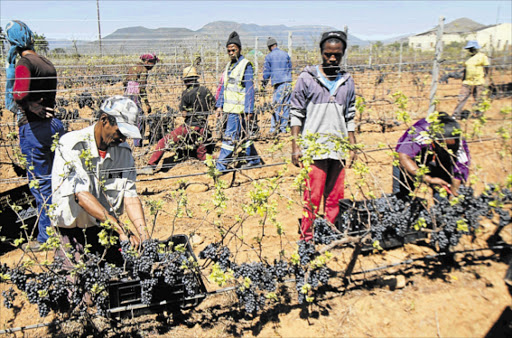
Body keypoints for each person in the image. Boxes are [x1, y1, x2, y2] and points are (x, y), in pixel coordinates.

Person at [51, 96, 149, 265]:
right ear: (104, 120)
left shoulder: (123, 152)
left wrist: (145, 236)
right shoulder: (71, 145)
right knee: (78, 285)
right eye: (120, 132)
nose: (122, 139)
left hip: (106, 228)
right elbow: (80, 195)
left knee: (116, 278)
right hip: (73, 232)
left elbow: (130, 196)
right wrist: (121, 228)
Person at [290, 31, 357, 242]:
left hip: (337, 149)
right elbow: (296, 112)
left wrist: (352, 144)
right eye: (328, 54)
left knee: (335, 197)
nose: (332, 58)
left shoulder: (347, 81)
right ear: (321, 53)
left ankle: (329, 233)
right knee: (312, 196)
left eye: (337, 54)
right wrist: (295, 144)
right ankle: (307, 238)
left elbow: (350, 114)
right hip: (314, 149)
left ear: (343, 54)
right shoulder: (307, 78)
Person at [4, 21, 66, 250]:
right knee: (56, 179)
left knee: (40, 185)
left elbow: (18, 92)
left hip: (34, 129)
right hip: (52, 125)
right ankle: (64, 228)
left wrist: (28, 105)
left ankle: (46, 238)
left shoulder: (24, 63)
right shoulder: (46, 62)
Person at [139, 66, 215, 174]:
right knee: (201, 153)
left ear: (186, 80)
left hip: (190, 126)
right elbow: (213, 105)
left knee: (163, 141)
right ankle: (214, 163)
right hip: (203, 128)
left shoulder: (186, 94)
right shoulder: (205, 90)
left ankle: (151, 166)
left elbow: (184, 114)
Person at [393, 112, 471, 202]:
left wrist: (454, 195)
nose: (448, 149)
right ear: (436, 140)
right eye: (445, 146)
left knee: (444, 197)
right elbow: (403, 157)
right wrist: (428, 179)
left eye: (450, 147)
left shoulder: (459, 142)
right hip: (415, 159)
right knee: (402, 197)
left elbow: (460, 170)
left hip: (443, 161)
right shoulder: (420, 132)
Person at [215, 31, 262, 172]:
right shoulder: (229, 66)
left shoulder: (245, 65)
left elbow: (249, 89)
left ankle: (220, 166)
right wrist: (219, 106)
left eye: (233, 49)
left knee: (229, 137)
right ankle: (254, 160)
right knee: (243, 135)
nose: (230, 52)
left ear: (239, 49)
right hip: (229, 109)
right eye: (228, 50)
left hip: (239, 109)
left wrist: (249, 110)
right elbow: (224, 87)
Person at [123, 53, 159, 146]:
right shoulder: (144, 70)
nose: (153, 66)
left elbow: (124, 81)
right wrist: (147, 103)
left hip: (127, 94)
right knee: (140, 118)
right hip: (134, 95)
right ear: (147, 62)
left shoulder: (133, 67)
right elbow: (142, 88)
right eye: (153, 63)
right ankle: (137, 143)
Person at [261, 37, 292, 134]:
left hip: (278, 84)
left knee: (276, 106)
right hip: (288, 83)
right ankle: (283, 128)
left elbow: (267, 72)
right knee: (286, 106)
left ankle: (274, 128)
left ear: (269, 47)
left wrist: (263, 83)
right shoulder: (285, 54)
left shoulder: (269, 57)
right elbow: (290, 68)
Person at [453, 40, 490, 119]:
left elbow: (486, 67)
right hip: (467, 81)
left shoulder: (482, 56)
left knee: (479, 98)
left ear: (476, 48)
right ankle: (456, 115)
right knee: (462, 98)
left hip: (479, 81)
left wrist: (485, 76)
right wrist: (463, 79)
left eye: (472, 48)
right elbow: (465, 69)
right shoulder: (467, 58)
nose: (471, 50)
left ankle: (479, 115)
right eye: (469, 49)